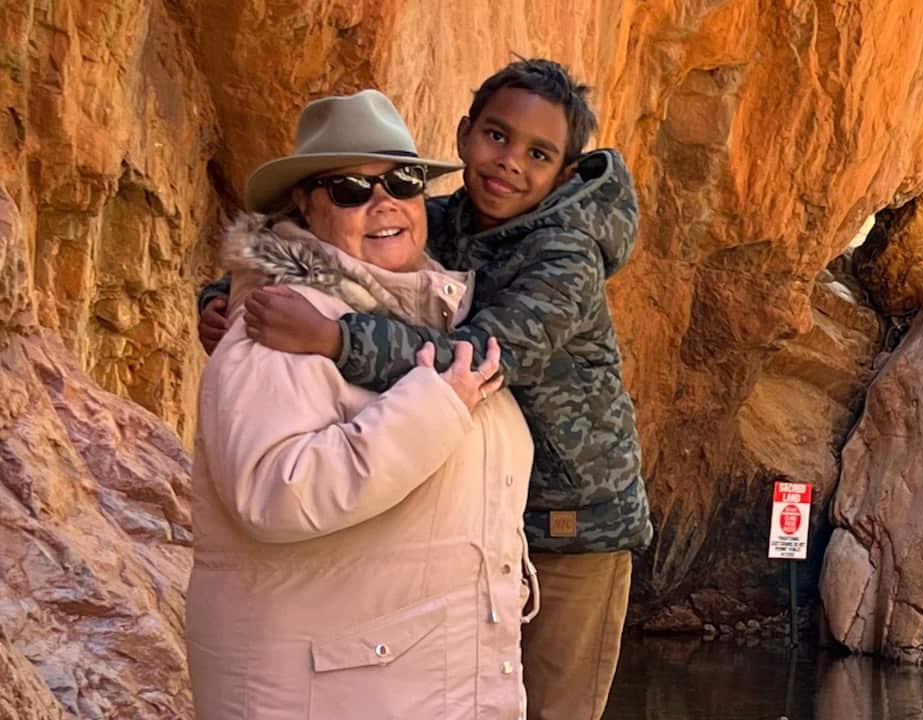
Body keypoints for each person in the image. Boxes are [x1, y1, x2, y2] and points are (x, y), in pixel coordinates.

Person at [198, 59, 652, 720]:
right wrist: (224, 295)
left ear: (562, 172)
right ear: (466, 134)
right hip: (488, 521)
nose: (510, 163)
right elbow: (325, 244)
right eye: (496, 136)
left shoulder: (566, 256)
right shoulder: (440, 220)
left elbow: (486, 357)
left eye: (538, 153)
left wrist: (335, 338)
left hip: (575, 525)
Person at [186, 89, 534, 720]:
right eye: (350, 189)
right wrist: (433, 405)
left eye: (403, 182)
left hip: (415, 687)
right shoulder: (279, 323)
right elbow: (276, 491)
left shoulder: (426, 317)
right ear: (305, 205)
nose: (384, 203)